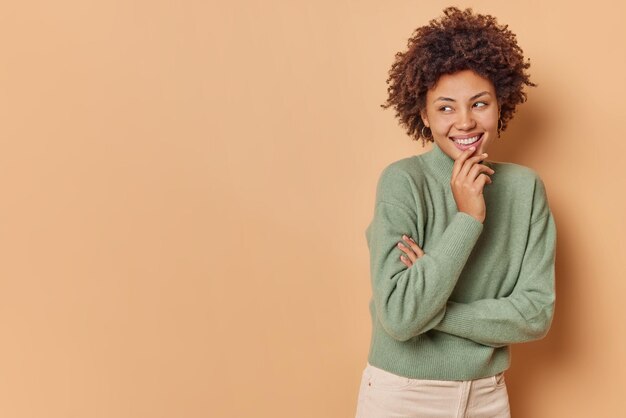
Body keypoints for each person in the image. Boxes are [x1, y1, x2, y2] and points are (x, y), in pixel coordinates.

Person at [355, 7, 556, 418]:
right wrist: (468, 219)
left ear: (500, 105)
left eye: (479, 103)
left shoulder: (525, 189)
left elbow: (535, 315)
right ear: (424, 115)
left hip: (487, 397)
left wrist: (432, 309)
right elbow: (399, 316)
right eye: (446, 108)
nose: (465, 122)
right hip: (403, 396)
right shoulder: (403, 182)